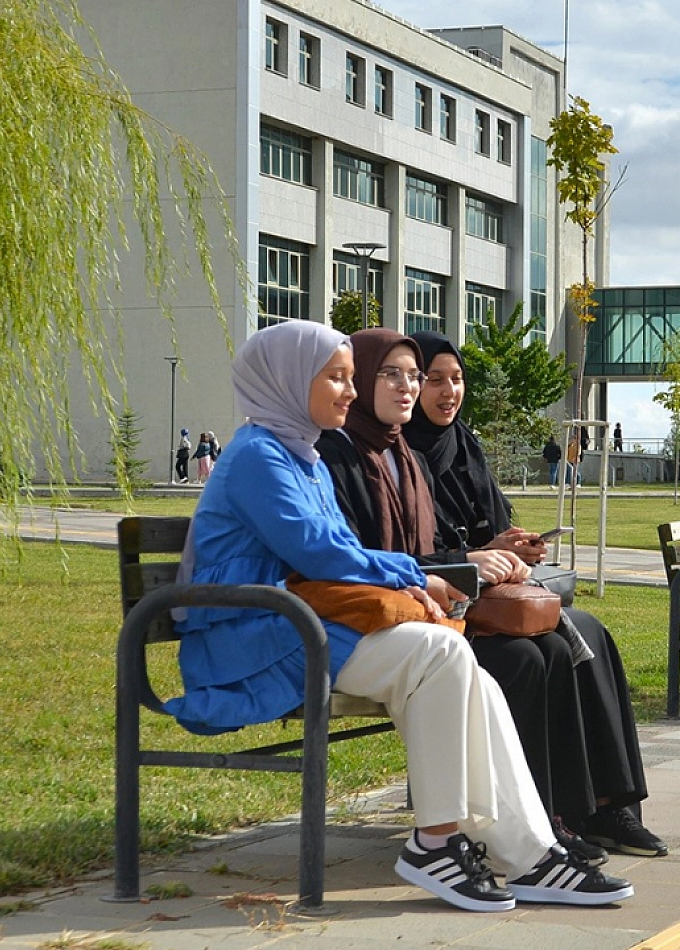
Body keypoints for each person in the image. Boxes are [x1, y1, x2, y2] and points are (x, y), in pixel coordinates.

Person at [167, 321, 630, 912]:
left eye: (348, 378)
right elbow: (321, 551)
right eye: (335, 378)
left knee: (473, 675)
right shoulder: (259, 456)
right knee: (441, 653)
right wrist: (417, 575)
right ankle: (437, 842)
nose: (350, 390)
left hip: (298, 625)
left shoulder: (300, 455)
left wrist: (418, 576)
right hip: (252, 635)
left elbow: (337, 553)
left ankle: (527, 852)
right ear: (287, 381)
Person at [317, 329, 617, 868]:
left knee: (574, 637)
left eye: (429, 377)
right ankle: (501, 833)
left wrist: (499, 551)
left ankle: (585, 811)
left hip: (426, 613)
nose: (421, 389)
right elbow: (344, 556)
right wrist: (462, 562)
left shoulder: (400, 453)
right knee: (519, 658)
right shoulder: (332, 455)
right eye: (399, 375)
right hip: (372, 623)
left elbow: (422, 545)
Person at [404, 331, 668, 859]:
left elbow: (493, 525)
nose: (447, 392)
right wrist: (480, 552)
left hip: (492, 601)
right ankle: (548, 814)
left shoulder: (465, 444)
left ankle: (605, 805)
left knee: (590, 630)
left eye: (456, 380)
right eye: (433, 380)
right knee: (532, 655)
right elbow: (412, 547)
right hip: (442, 611)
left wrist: (516, 546)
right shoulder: (401, 453)